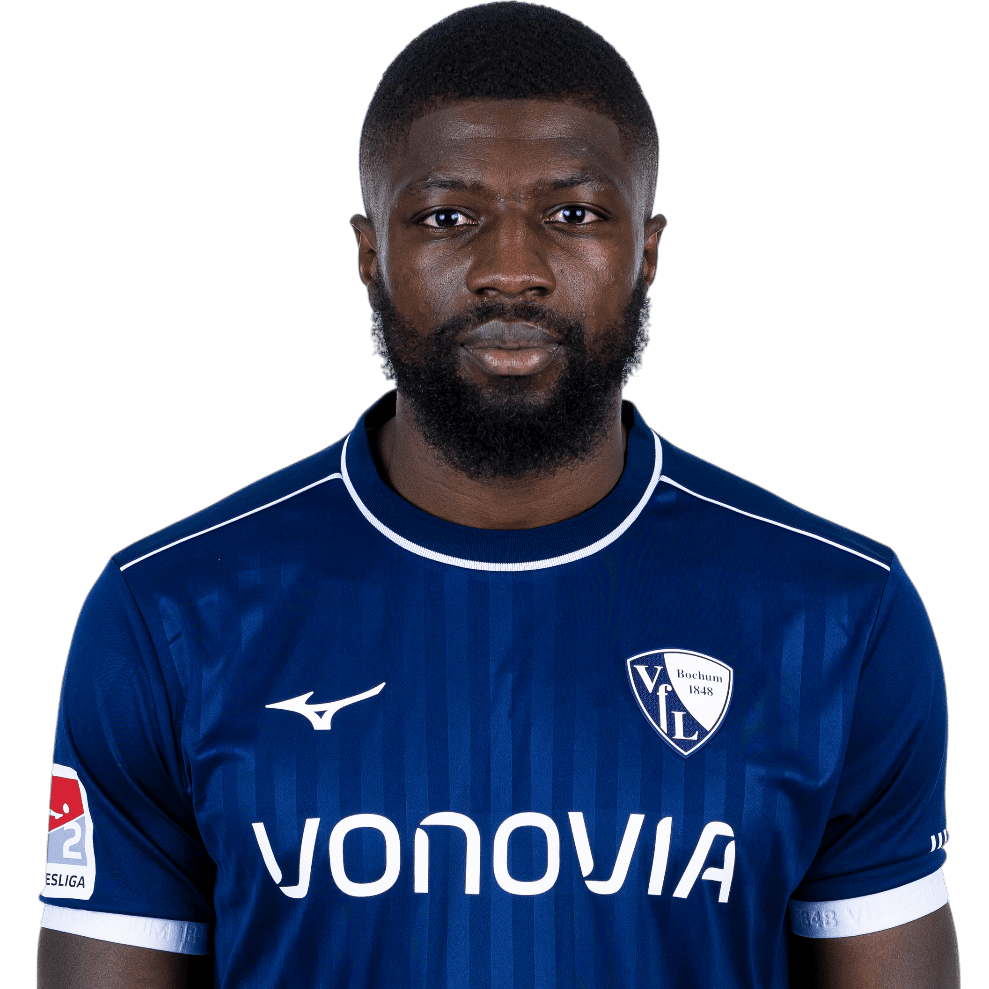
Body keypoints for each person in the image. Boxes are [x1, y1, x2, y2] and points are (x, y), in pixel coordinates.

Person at [37, 4, 958, 986]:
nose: (510, 271)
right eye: (448, 216)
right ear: (368, 255)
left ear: (646, 252)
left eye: (572, 214)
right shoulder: (167, 611)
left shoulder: (838, 610)